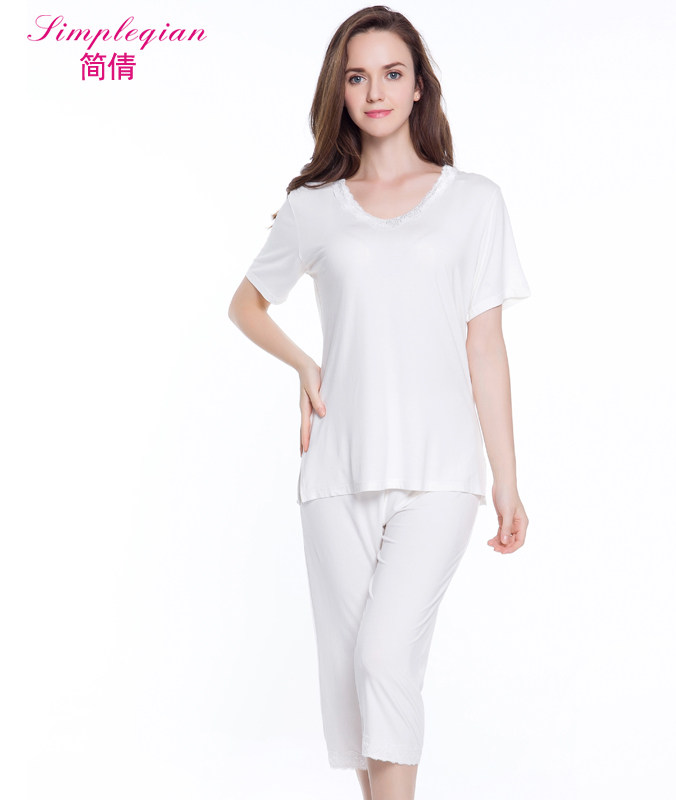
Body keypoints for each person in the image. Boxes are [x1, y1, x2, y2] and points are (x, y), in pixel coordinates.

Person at [228, 6, 531, 799]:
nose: (375, 91)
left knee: (384, 656)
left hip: (441, 471)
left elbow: (486, 347)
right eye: (358, 76)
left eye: (393, 73)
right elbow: (247, 305)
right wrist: (304, 364)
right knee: (353, 679)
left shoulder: (474, 202)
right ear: (341, 89)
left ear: (419, 85)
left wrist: (507, 481)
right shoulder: (314, 207)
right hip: (337, 470)